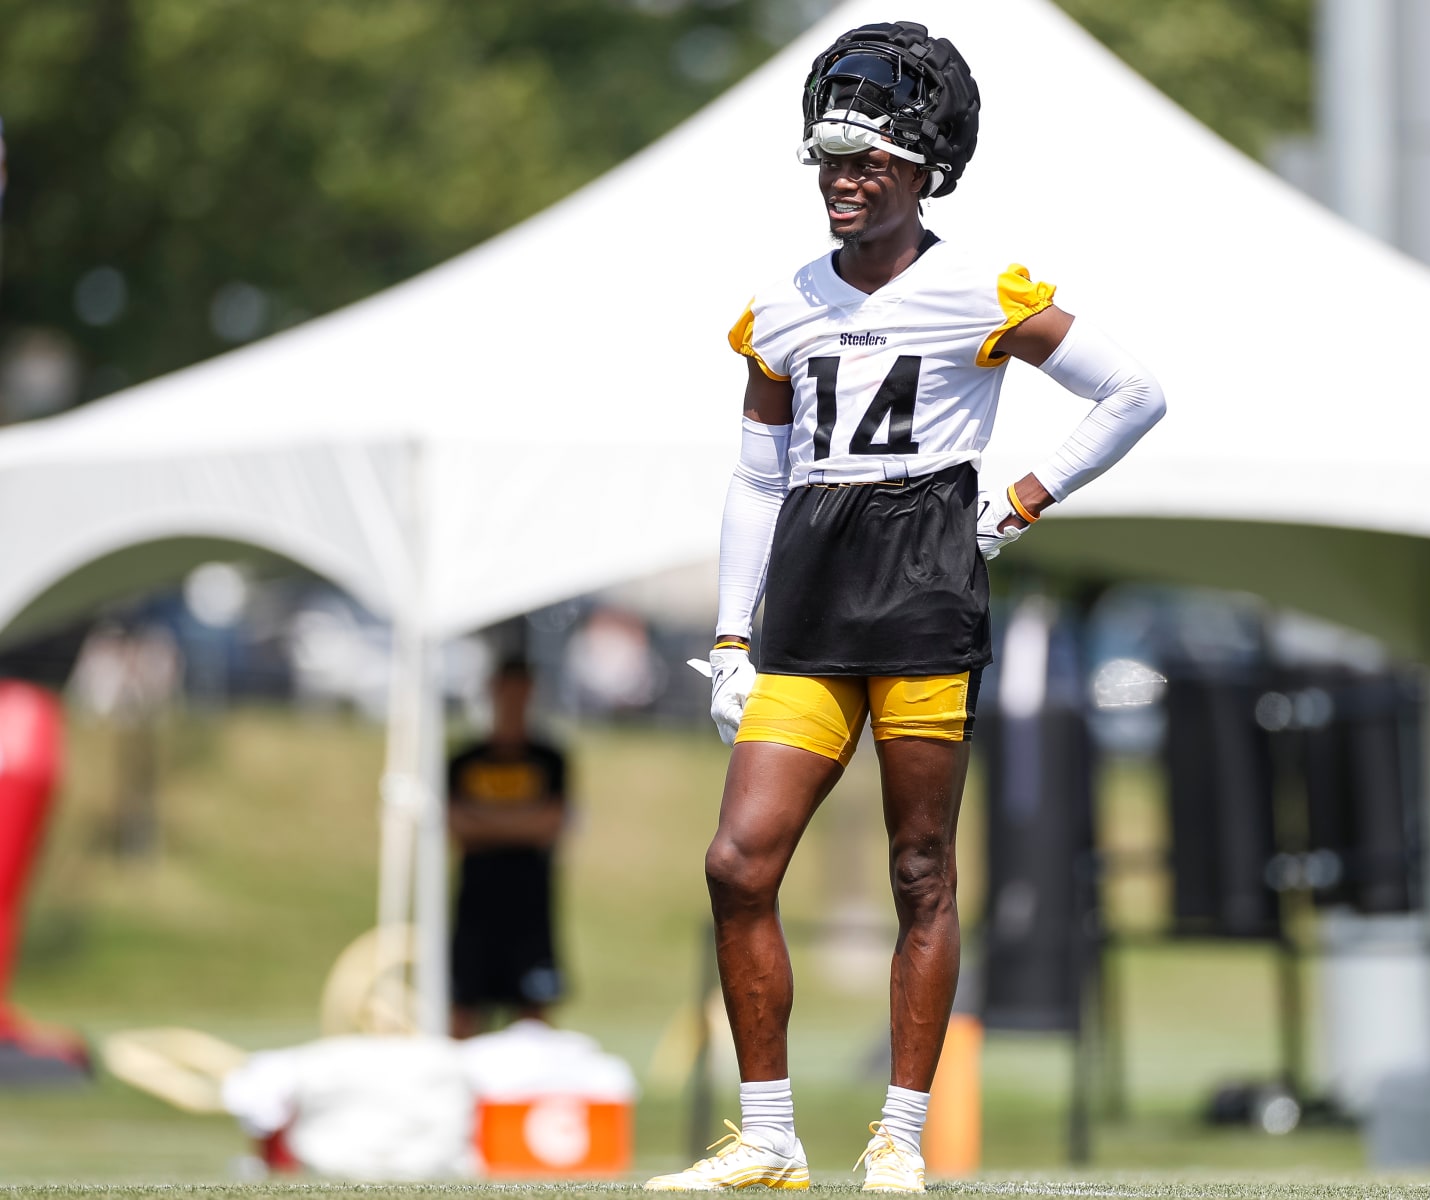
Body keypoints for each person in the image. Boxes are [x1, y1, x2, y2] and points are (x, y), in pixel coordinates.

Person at [647, 21, 1164, 1192]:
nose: (843, 180)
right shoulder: (777, 308)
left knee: (920, 868)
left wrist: (1021, 501)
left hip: (925, 588)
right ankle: (770, 1139)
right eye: (831, 158)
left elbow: (1134, 391)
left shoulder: (980, 288)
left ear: (922, 168)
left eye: (869, 162)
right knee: (738, 863)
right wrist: (730, 634)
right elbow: (756, 475)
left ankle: (899, 1135)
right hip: (812, 599)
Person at [446, 657, 569, 1040]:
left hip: (530, 907)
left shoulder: (549, 760)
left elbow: (550, 825)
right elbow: (455, 825)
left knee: (533, 1021)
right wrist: (520, 822)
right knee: (464, 1016)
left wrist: (485, 821)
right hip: (475, 906)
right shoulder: (464, 761)